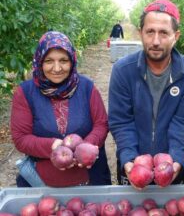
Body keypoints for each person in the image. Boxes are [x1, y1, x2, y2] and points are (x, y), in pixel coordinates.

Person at [108, 0, 184, 187]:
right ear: (140, 33)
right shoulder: (123, 70)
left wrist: (176, 159)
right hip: (133, 165)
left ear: (176, 36)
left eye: (164, 33)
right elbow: (121, 121)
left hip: (170, 166)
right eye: (150, 32)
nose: (156, 41)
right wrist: (128, 158)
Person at [10, 31, 111, 187]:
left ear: (72, 61)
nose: (57, 68)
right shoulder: (25, 93)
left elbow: (101, 124)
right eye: (49, 61)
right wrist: (53, 145)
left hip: (90, 177)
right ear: (39, 61)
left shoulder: (86, 87)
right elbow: (21, 138)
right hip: (42, 182)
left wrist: (84, 148)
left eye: (63, 60)